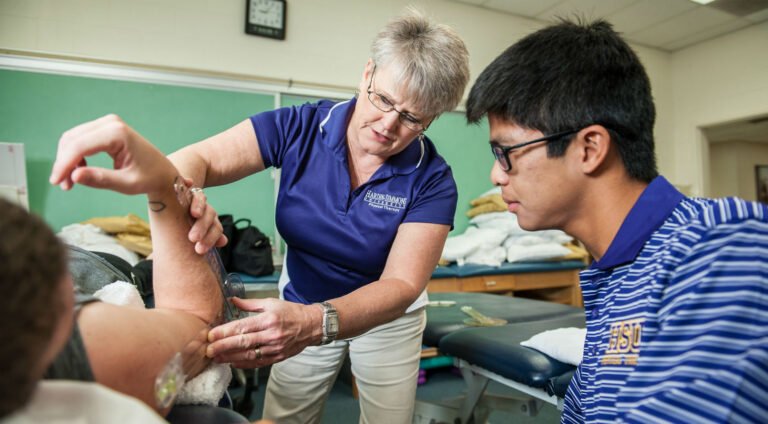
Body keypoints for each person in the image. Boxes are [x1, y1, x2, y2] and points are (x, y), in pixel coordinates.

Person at [168, 8, 469, 423]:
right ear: (367, 74)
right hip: (302, 297)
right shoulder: (301, 127)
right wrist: (194, 198)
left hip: (385, 318)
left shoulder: (433, 181)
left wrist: (316, 322)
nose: (387, 124)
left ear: (431, 118)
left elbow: (401, 283)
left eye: (411, 117)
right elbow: (190, 159)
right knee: (285, 416)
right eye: (382, 99)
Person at [465, 18, 768, 423]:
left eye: (506, 153)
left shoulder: (724, 245)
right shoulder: (613, 273)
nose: (496, 175)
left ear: (589, 148)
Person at [0, 115, 229, 422]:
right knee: (139, 271)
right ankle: (147, 266)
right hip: (108, 266)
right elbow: (201, 327)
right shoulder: (52, 333)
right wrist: (164, 184)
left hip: (80, 254)